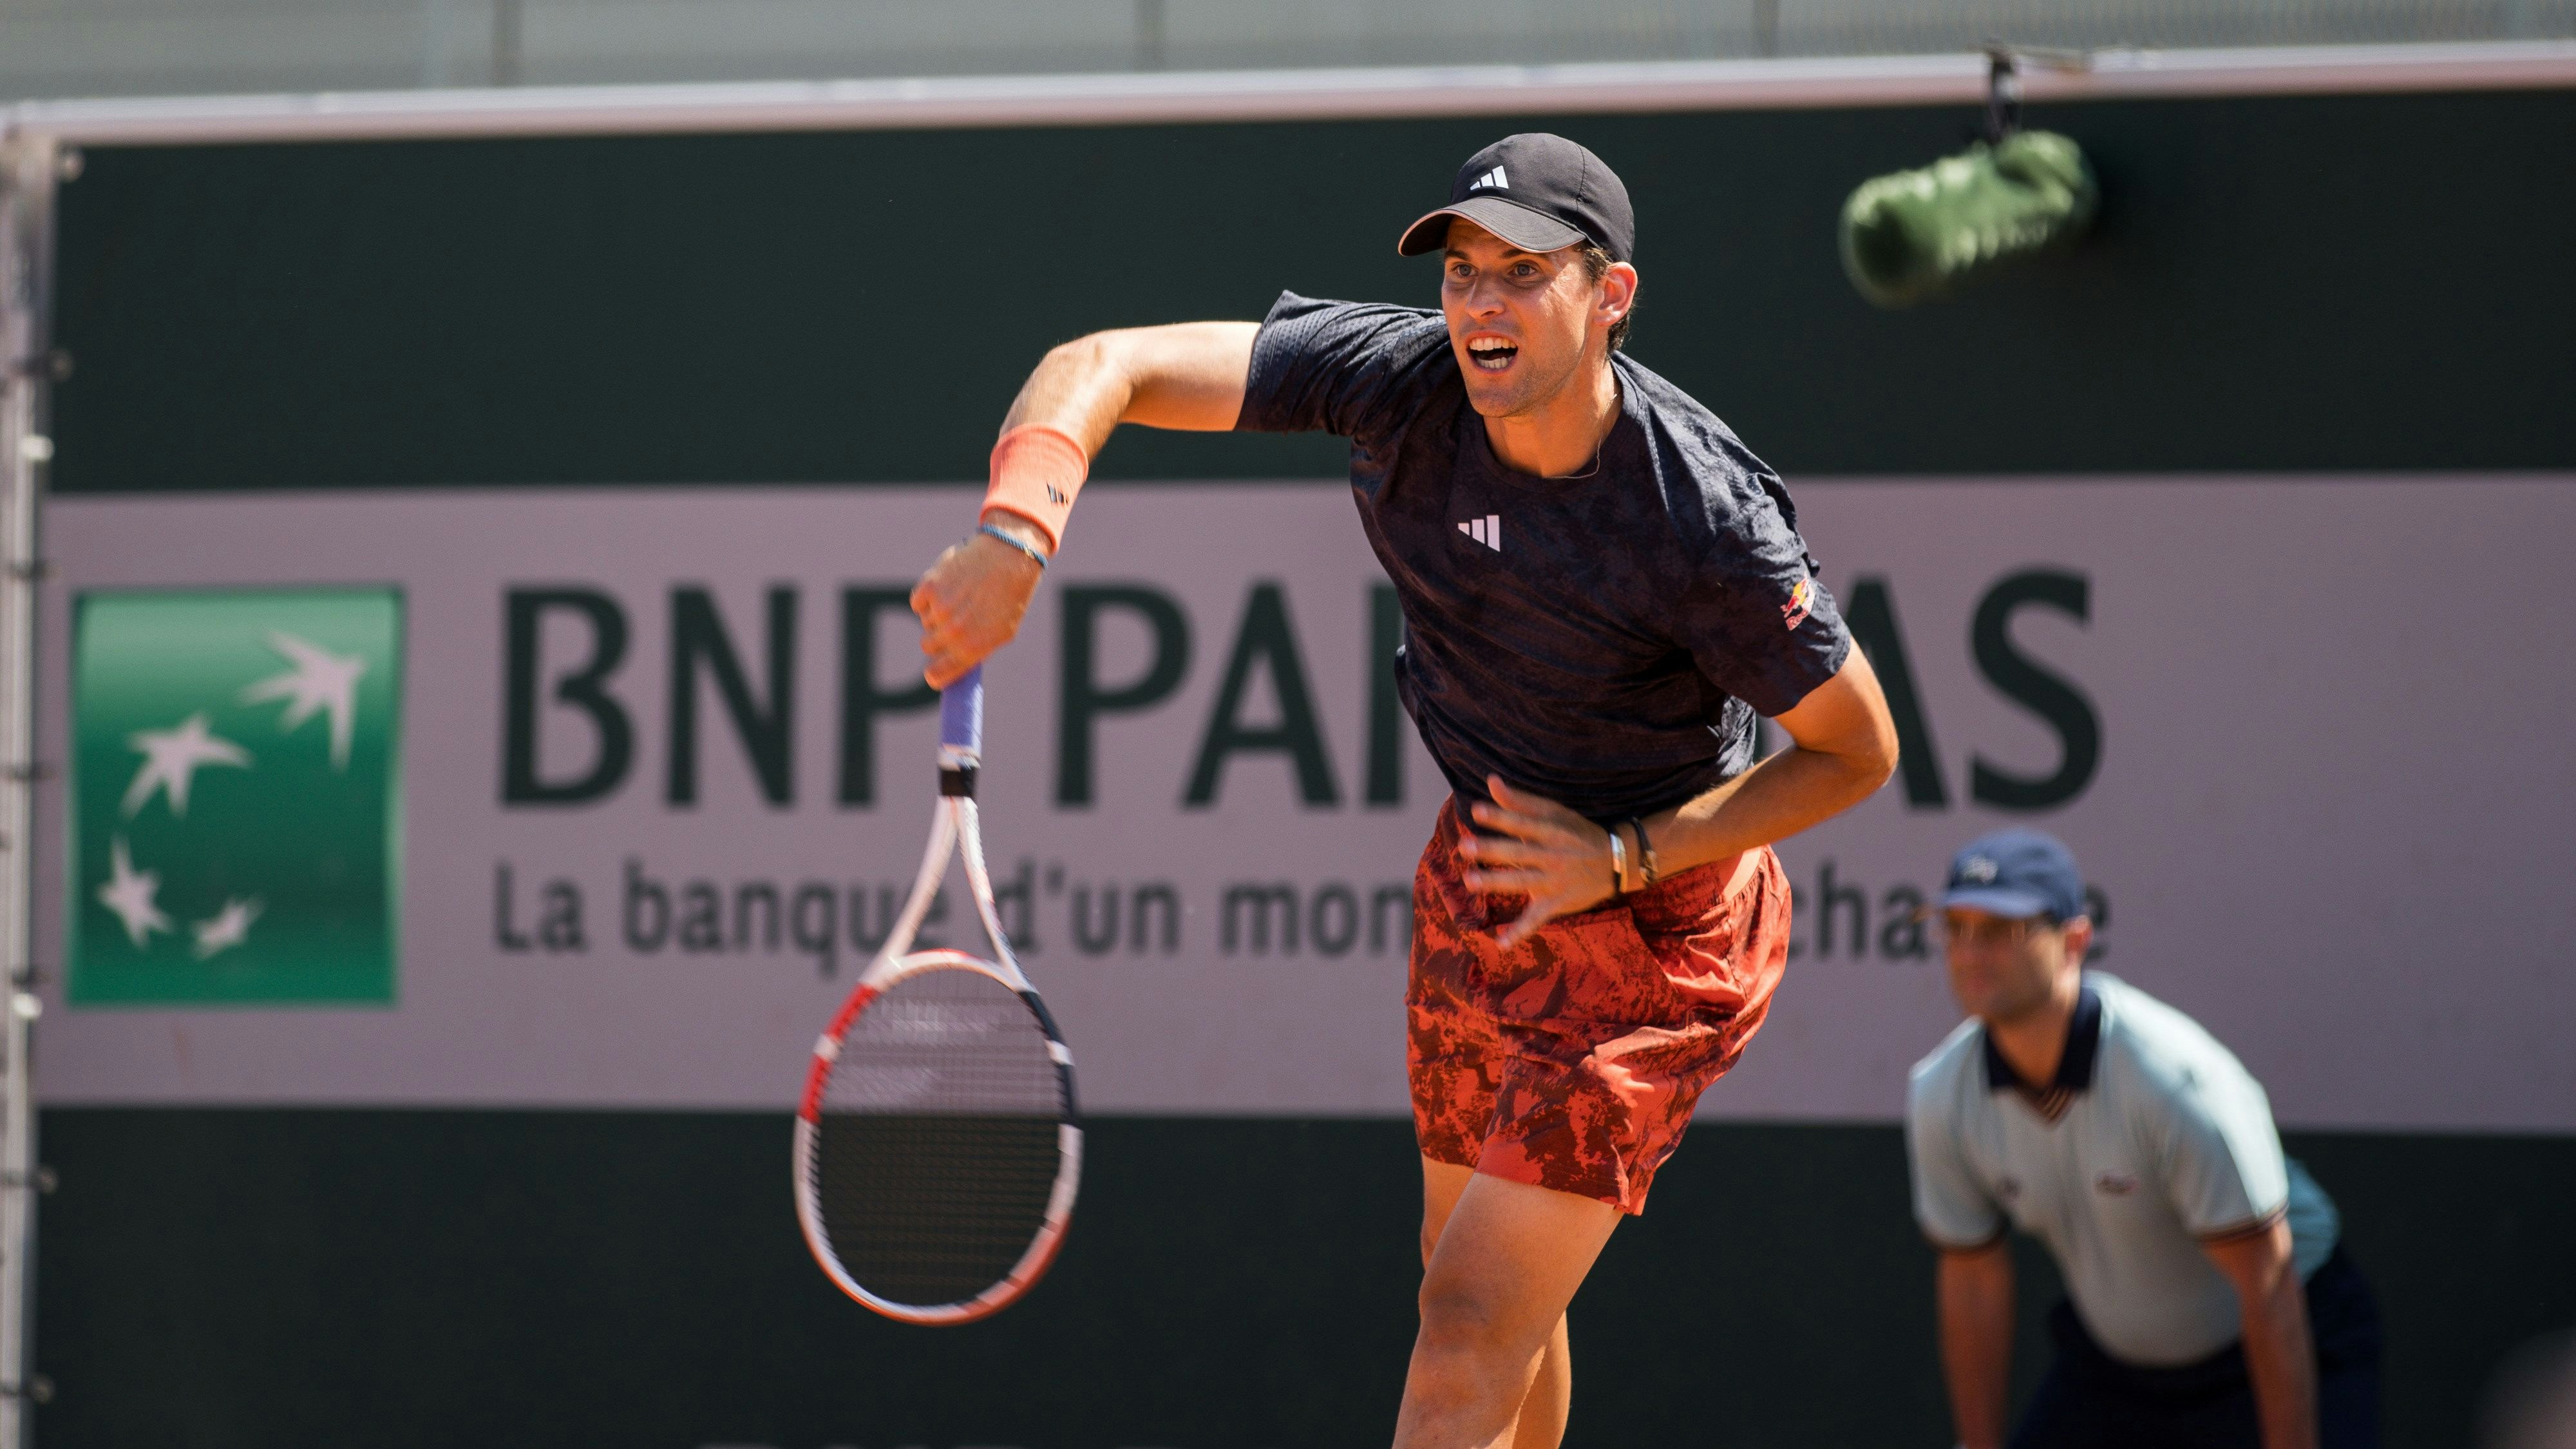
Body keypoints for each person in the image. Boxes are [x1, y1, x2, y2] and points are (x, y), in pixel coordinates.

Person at [911, 132, 1898, 1448]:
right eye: (1461, 273)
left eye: (1520, 274)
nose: (1478, 305)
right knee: (1468, 1287)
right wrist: (1016, 533)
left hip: (1667, 916)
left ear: (1608, 296)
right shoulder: (1400, 380)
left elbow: (1857, 751)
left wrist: (1618, 859)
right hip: (1487, 866)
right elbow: (1108, 363)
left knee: (1467, 1325)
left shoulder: (1703, 522)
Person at [1906, 828, 2383, 1449]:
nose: (1970, 953)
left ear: (2074, 941)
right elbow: (1973, 1281)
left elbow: (2268, 1284)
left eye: (1999, 931)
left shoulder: (2174, 1080)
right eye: (1957, 929)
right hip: (2116, 1373)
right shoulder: (1941, 1091)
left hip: (2287, 1334)